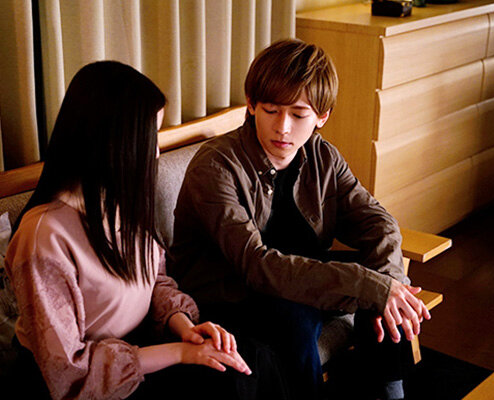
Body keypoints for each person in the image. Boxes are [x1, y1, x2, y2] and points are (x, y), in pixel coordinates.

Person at [4, 61, 289, 400]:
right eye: (149, 137)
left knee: (253, 357)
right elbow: (69, 371)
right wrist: (182, 353)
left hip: (138, 350)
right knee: (228, 384)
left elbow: (153, 280)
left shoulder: (119, 203)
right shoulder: (44, 235)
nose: (155, 152)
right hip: (84, 383)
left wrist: (185, 328)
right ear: (111, 142)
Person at [169, 39, 431, 400]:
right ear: (251, 105)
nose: (283, 128)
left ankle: (389, 391)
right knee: (300, 316)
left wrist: (388, 283)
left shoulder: (323, 157)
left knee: (380, 283)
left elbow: (378, 223)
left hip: (302, 275)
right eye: (271, 110)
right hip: (232, 291)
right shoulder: (216, 166)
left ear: (322, 116)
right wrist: (369, 286)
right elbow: (255, 265)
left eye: (298, 114)